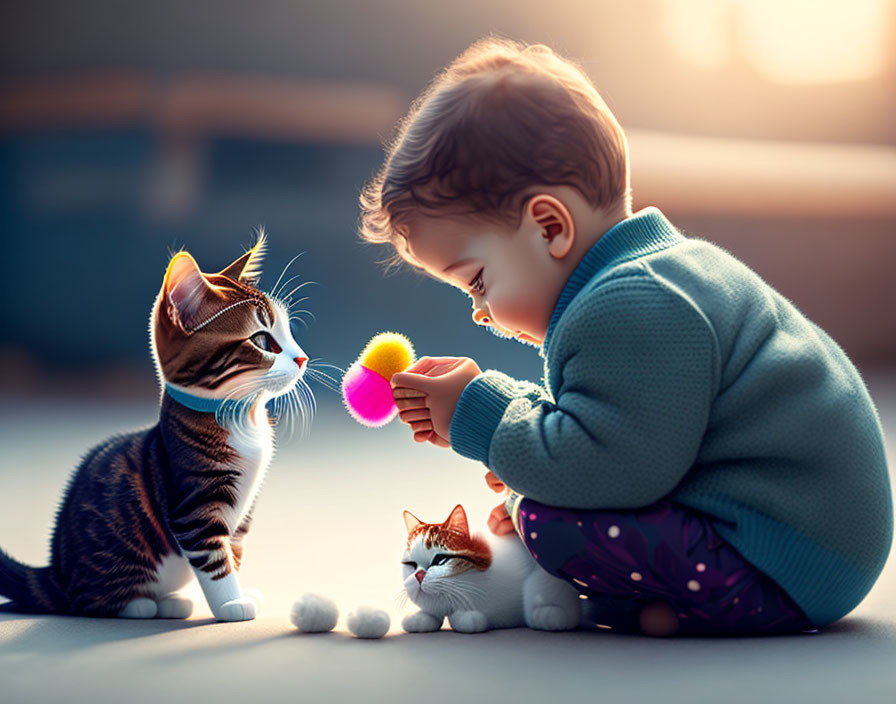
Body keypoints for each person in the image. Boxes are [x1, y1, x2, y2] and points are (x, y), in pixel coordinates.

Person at [358, 37, 892, 636]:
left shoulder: (628, 306)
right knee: (546, 496)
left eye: (477, 281)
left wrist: (481, 422)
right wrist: (498, 403)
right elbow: (613, 427)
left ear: (549, 226)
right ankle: (667, 606)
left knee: (546, 521)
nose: (479, 312)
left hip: (784, 559)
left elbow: (611, 470)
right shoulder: (657, 273)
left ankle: (697, 604)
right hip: (806, 542)